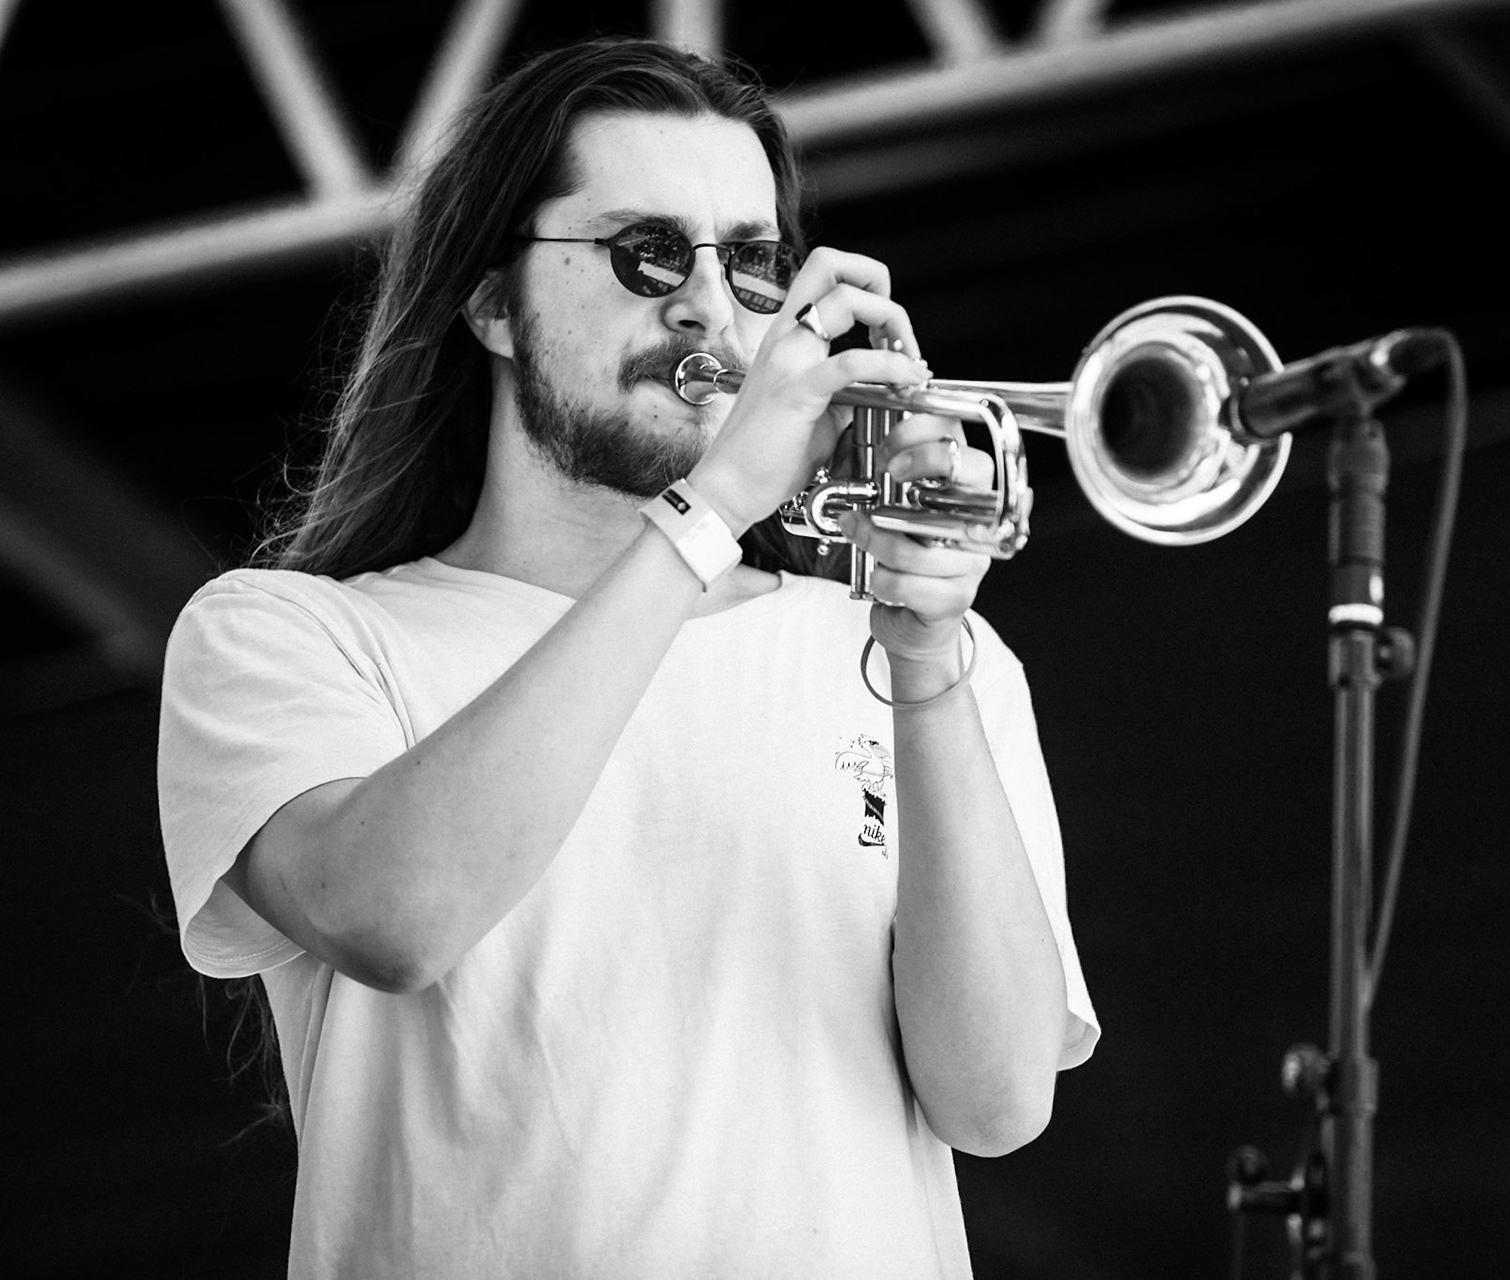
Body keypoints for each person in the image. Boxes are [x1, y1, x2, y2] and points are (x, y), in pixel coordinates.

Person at [157, 34, 1097, 1279]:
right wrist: (708, 515)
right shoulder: (291, 635)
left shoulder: (926, 656)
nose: (710, 309)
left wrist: (926, 655)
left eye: (753, 265)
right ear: (492, 301)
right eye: (646, 253)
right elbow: (397, 916)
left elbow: (997, 1100)